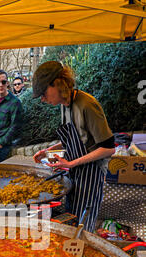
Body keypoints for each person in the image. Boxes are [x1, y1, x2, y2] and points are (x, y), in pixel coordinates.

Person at [32, 61, 115, 232]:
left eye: (43, 93)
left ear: (57, 83)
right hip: (75, 174)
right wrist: (48, 151)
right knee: (72, 222)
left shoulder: (86, 104)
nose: (42, 98)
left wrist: (71, 164)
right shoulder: (65, 105)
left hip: (90, 176)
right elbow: (75, 137)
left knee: (82, 228)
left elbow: (108, 148)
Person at [0, 69, 23, 163]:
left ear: (7, 83)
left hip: (3, 146)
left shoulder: (15, 102)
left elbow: (16, 126)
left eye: (3, 82)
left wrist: (1, 143)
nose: (0, 85)